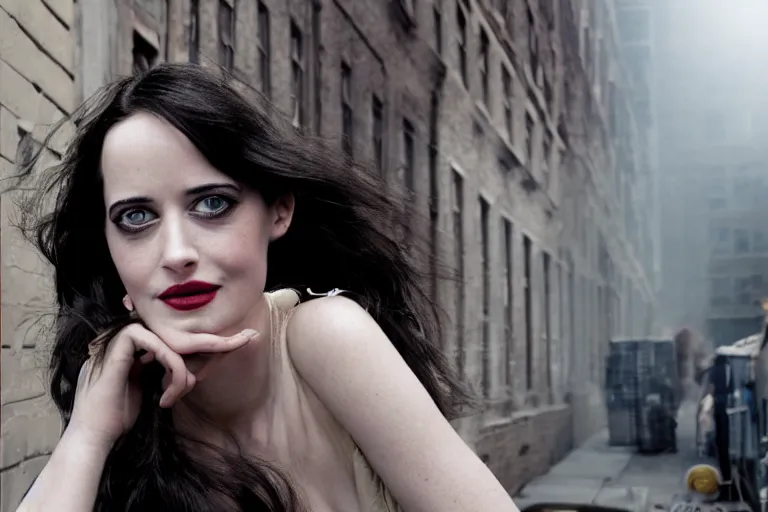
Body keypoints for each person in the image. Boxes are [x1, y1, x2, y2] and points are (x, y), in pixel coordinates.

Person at [14, 64, 518, 511]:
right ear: (108, 247)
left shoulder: (327, 335)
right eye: (137, 216)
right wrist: (86, 438)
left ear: (278, 210)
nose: (175, 253)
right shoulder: (117, 399)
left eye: (212, 204)